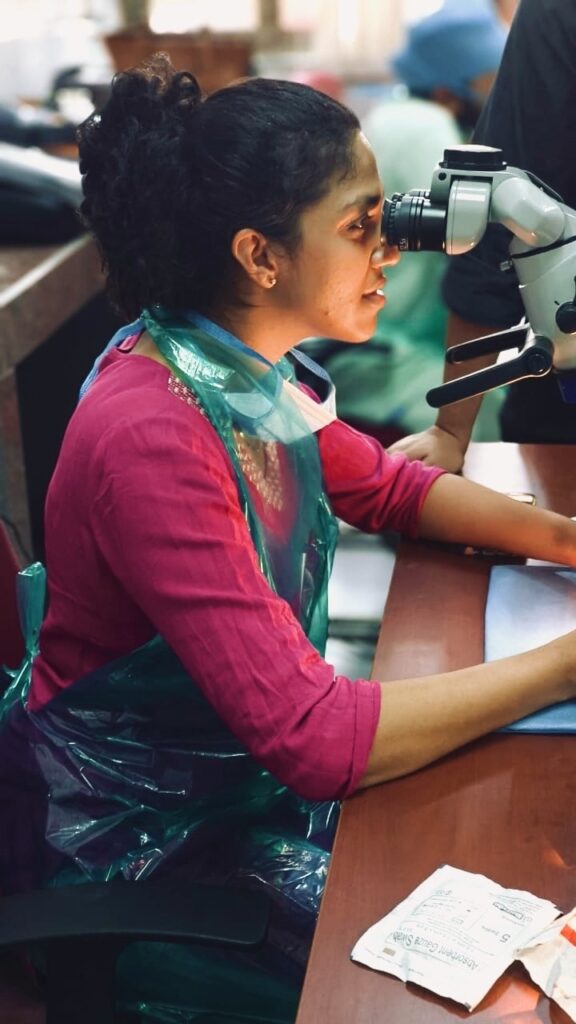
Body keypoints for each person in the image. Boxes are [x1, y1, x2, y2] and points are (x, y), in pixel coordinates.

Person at [2, 55, 576, 1021]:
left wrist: (562, 538)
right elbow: (315, 739)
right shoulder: (154, 430)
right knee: (489, 990)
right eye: (361, 227)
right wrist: (564, 665)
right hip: (141, 853)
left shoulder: (244, 369)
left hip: (241, 787)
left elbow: (389, 488)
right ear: (260, 257)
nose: (390, 251)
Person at [390, 0, 576, 472]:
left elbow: (491, 219)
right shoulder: (425, 130)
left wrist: (452, 430)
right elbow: (489, 214)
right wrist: (451, 429)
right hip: (395, 346)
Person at [313, 0, 507, 445]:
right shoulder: (424, 127)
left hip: (379, 340)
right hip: (381, 352)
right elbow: (474, 232)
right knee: (490, 412)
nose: (496, 96)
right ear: (446, 90)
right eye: (488, 82)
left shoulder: (398, 115)